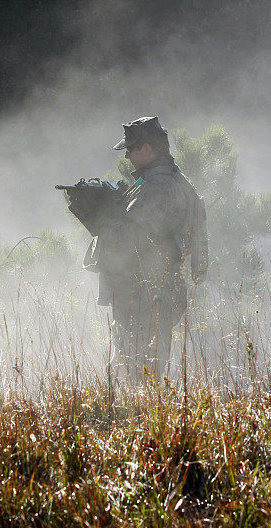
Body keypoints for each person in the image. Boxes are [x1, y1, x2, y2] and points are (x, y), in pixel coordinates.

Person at [84, 116, 208, 383]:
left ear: (148, 149)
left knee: (138, 372)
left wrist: (101, 218)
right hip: (150, 291)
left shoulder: (159, 187)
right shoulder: (160, 181)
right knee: (140, 369)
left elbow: (136, 239)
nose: (127, 155)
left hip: (146, 293)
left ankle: (141, 418)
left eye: (131, 148)